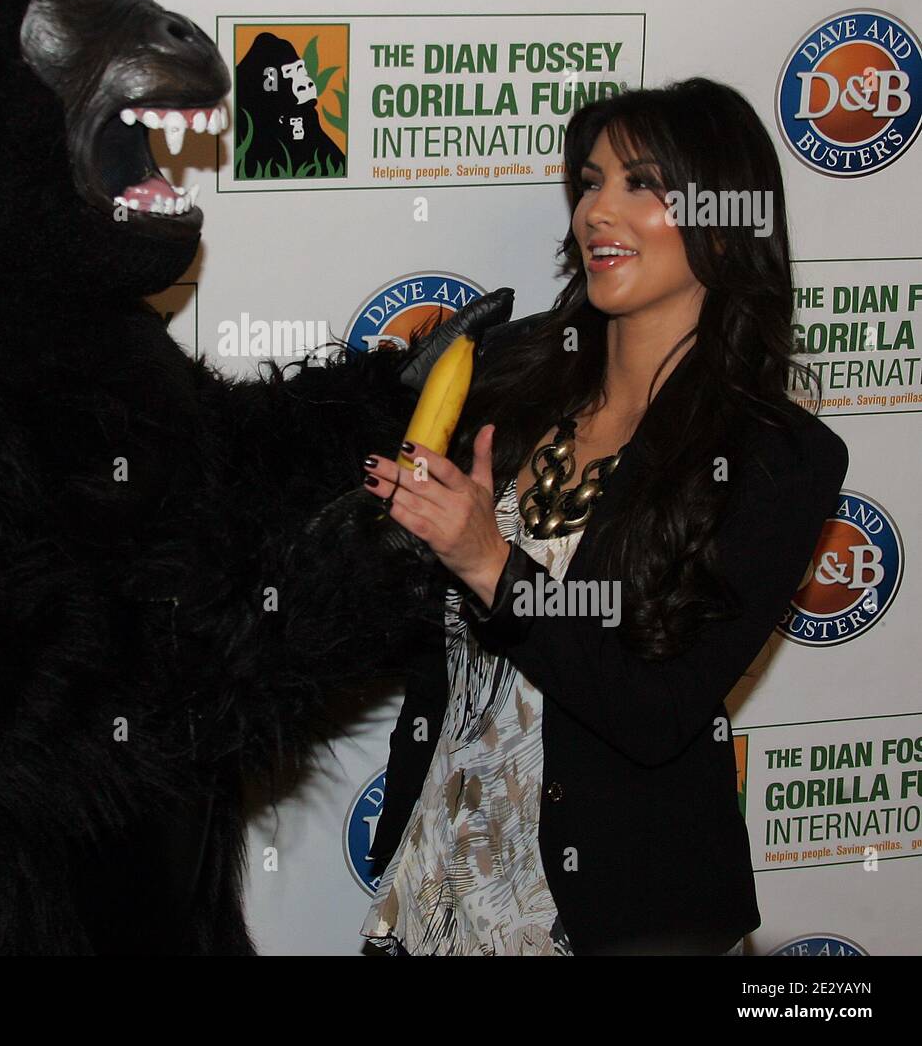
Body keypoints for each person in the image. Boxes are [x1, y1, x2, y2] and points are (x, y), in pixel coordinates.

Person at [357, 77, 849, 956]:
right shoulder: (513, 381)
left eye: (643, 185)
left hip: (617, 918)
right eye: (589, 182)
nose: (598, 211)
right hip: (439, 891)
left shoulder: (778, 457)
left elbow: (656, 709)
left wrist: (492, 565)